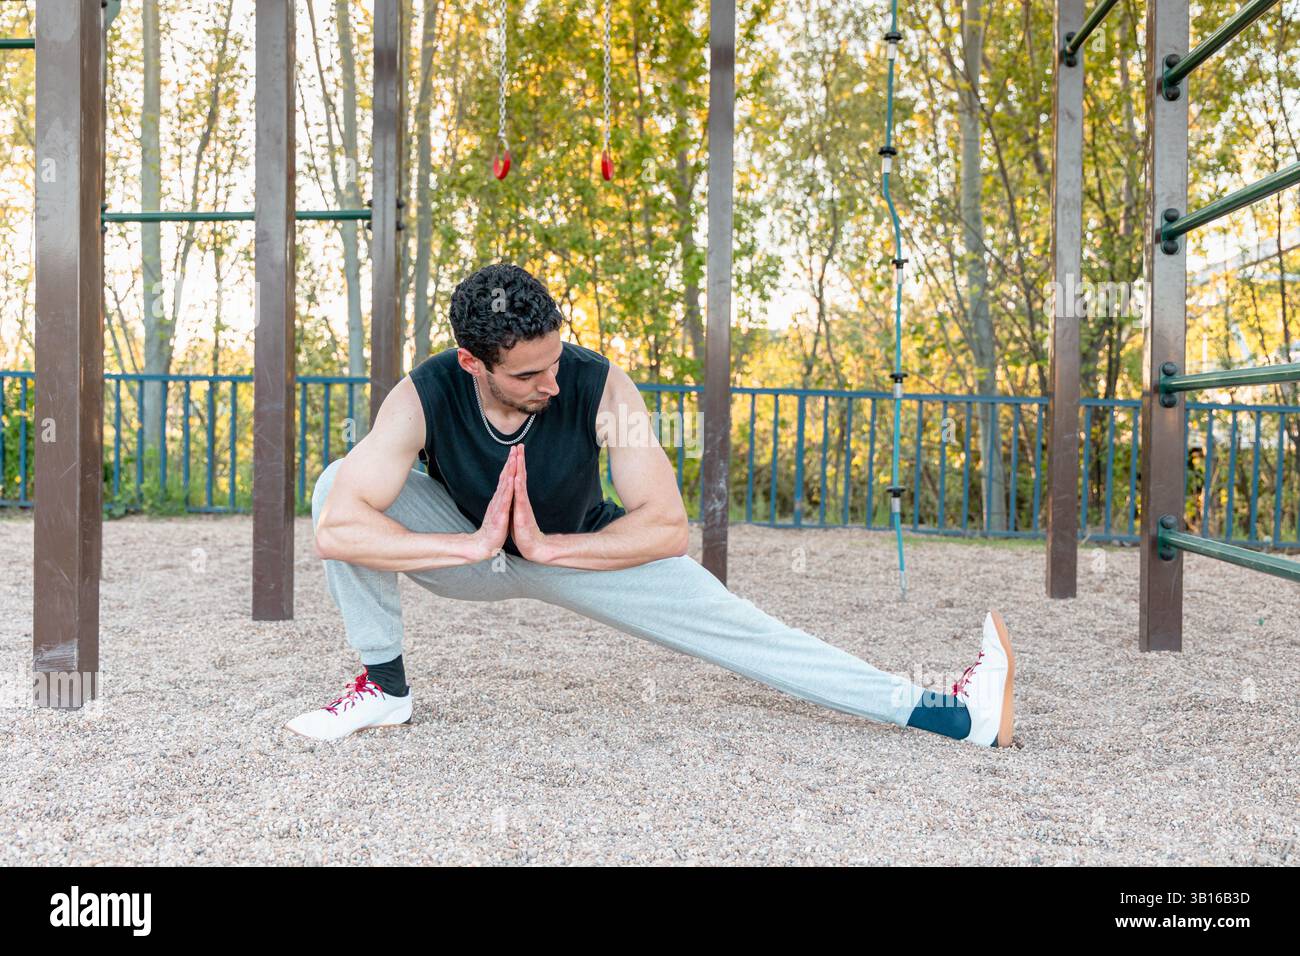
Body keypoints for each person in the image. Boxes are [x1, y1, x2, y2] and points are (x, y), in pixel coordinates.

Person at [287, 263, 1015, 747]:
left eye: (557, 359)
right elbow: (338, 528)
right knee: (334, 485)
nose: (552, 382)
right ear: (474, 363)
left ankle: (950, 714)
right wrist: (474, 546)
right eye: (531, 372)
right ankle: (385, 687)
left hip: (584, 551)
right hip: (466, 551)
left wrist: (547, 549)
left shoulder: (602, 386)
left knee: (748, 631)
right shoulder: (423, 394)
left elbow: (667, 526)